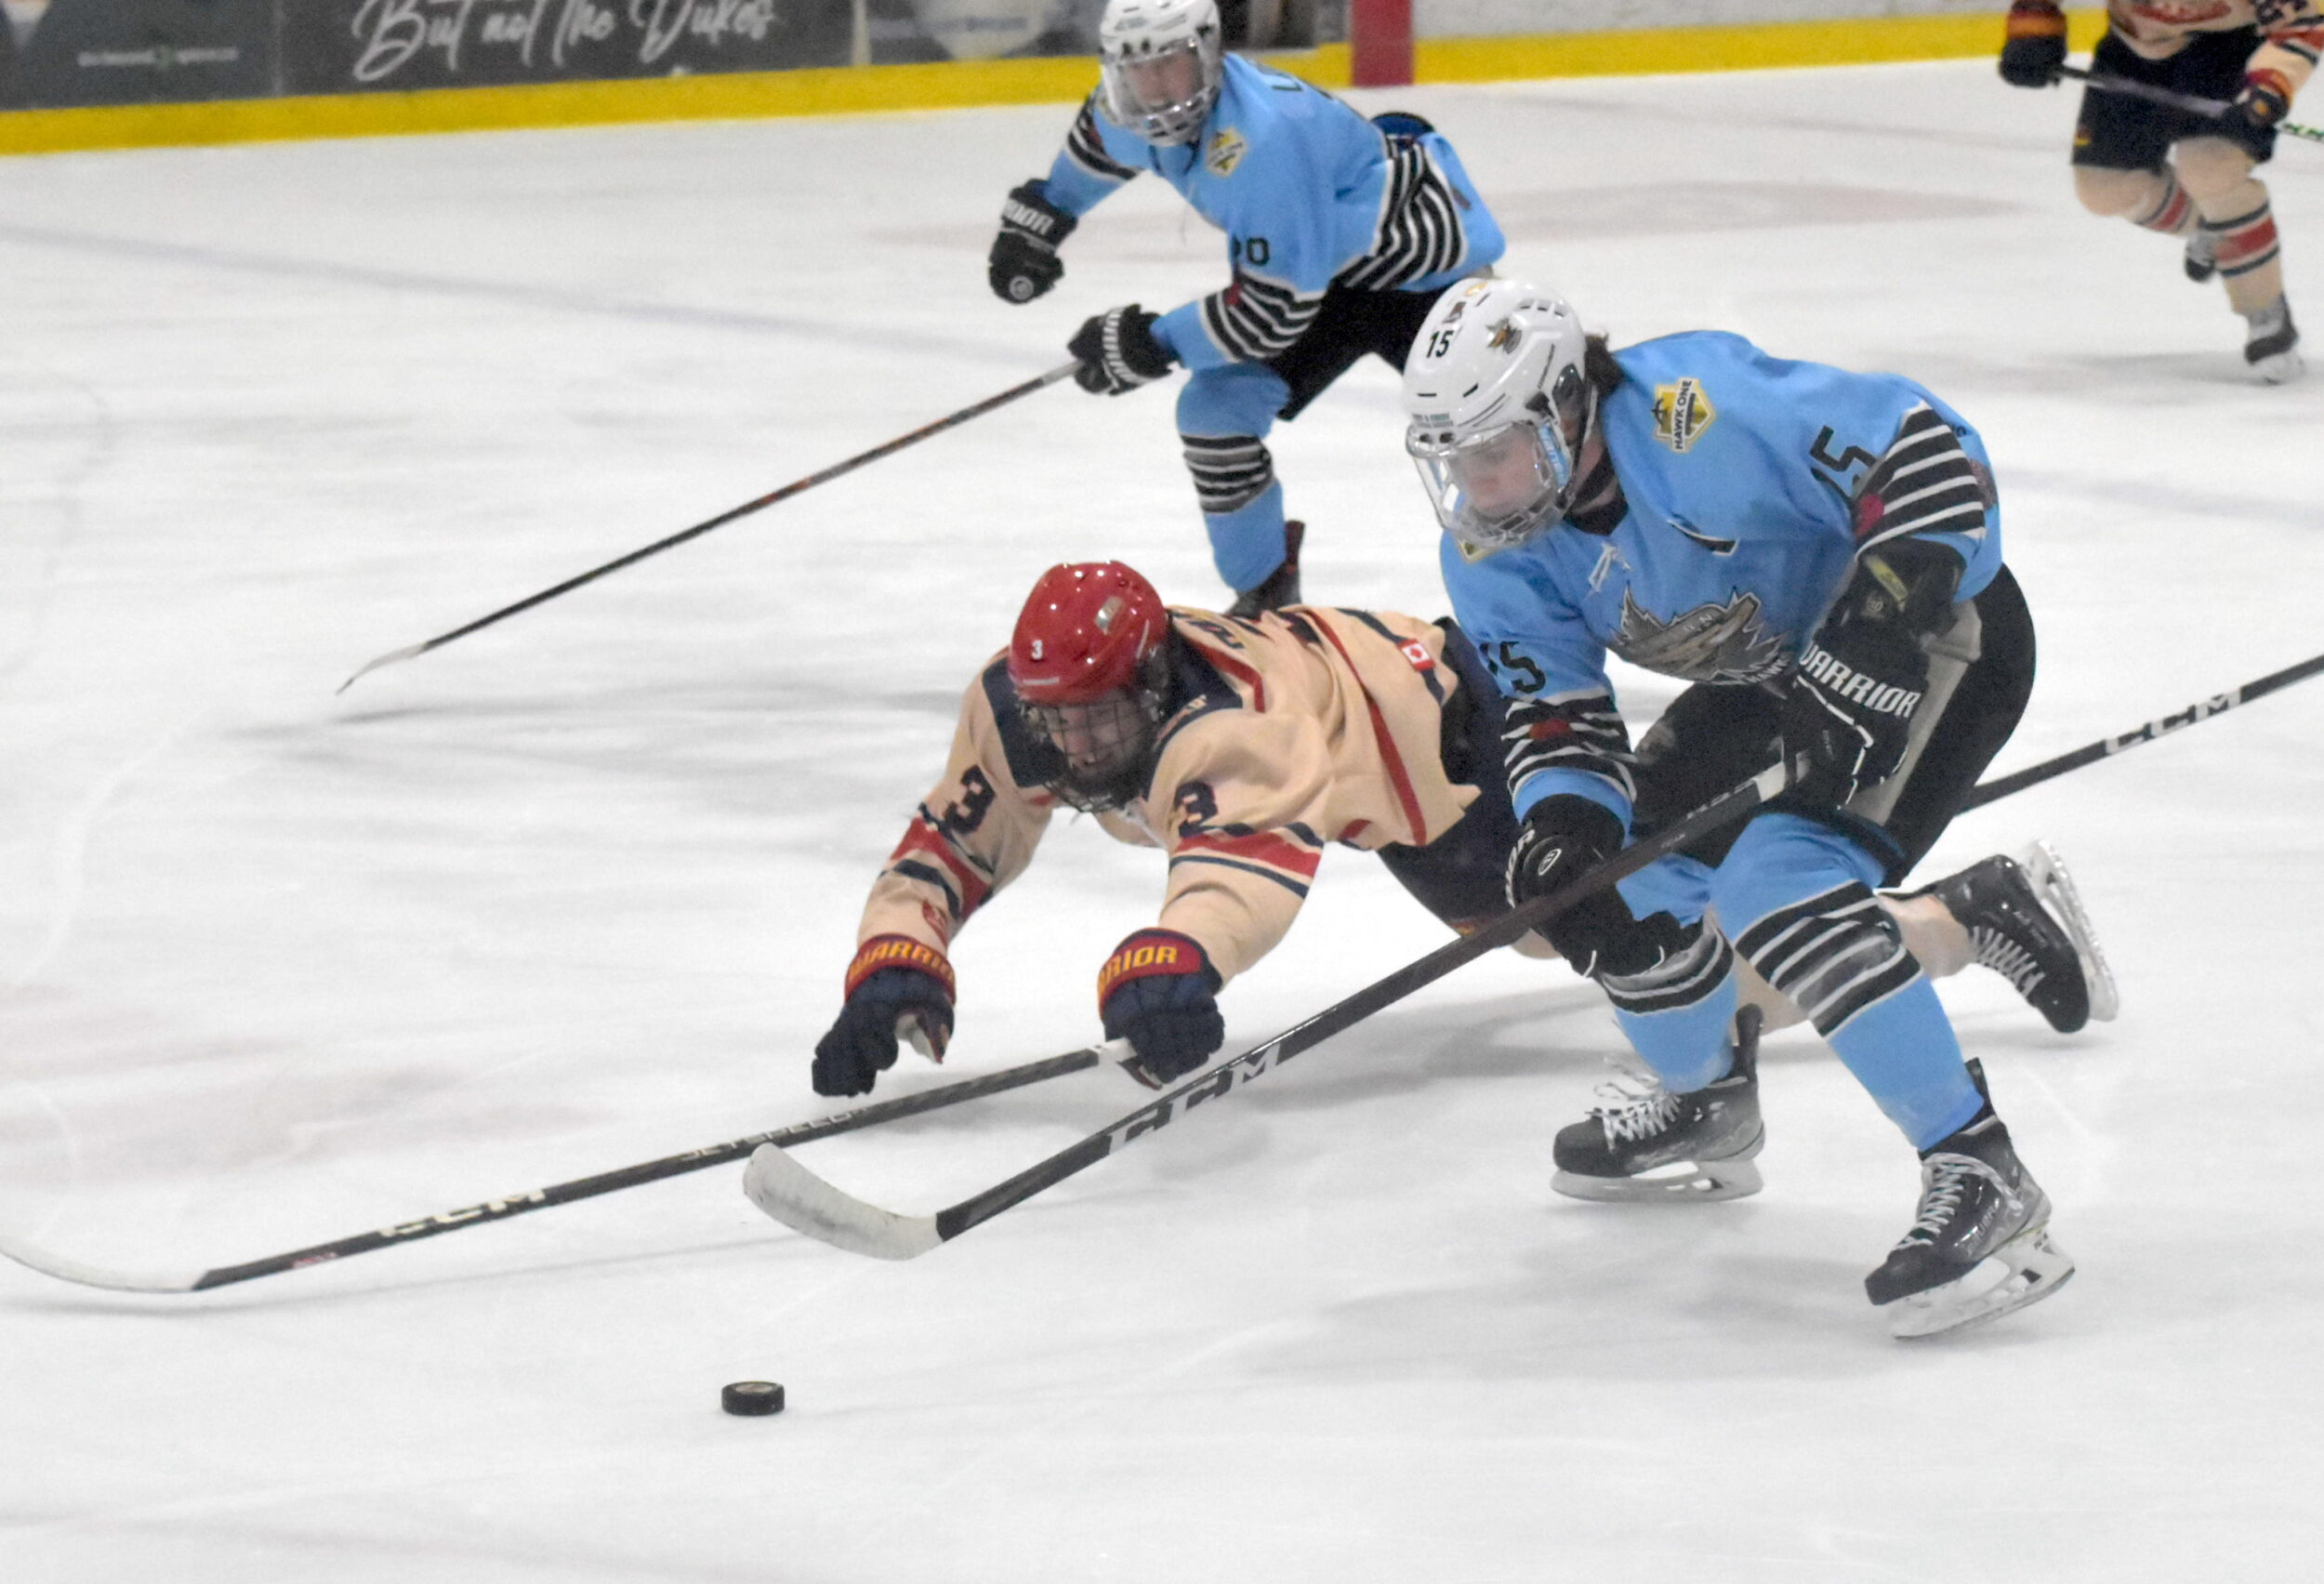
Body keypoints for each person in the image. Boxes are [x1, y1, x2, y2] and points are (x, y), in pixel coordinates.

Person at [1402, 276, 2099, 1339]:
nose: (1477, 484)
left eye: (1495, 448)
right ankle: (1707, 1103)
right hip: (1773, 682)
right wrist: (1564, 825)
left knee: (1784, 883)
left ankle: (1979, 1168)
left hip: (1931, 637)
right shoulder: (1495, 549)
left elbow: (1929, 455)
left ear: (1564, 408)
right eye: (1453, 460)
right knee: (1612, 886)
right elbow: (1555, 712)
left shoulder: (1700, 407)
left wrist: (1877, 621)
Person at [810, 561, 2114, 1128]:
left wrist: (1173, 955)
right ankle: (1934, 919)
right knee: (1620, 952)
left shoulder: (1234, 722)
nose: (1072, 745)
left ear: (1150, 681)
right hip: (1403, 800)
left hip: (1480, 738)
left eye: (1097, 717)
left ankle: (1966, 915)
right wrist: (896, 959)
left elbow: (1245, 868)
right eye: (1056, 716)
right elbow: (953, 839)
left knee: (1670, 965)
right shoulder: (1029, 707)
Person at [982, 0, 1505, 614]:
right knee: (1214, 411)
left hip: (1421, 273)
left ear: (1208, 54)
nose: (1152, 88)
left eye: (1170, 66)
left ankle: (1537, 595)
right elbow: (1099, 146)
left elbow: (1269, 314)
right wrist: (1045, 215)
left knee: (1495, 429)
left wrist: (1151, 342)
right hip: (1315, 271)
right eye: (1137, 70)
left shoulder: (1265, 138)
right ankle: (1266, 597)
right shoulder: (1126, 102)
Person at [2000, 0, 2320, 381]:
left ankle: (2264, 309)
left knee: (2210, 167)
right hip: (2133, 51)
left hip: (2227, 54)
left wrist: (2269, 87)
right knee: (2105, 189)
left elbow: (2302, 23)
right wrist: (2034, 30)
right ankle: (2220, 231)